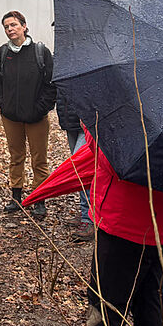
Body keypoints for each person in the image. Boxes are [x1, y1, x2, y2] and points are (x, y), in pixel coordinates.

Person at [26, 125, 163, 326]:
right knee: (153, 311)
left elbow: (110, 157)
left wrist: (92, 127)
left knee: (107, 313)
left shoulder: (131, 101)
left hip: (124, 222)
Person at [0, 10, 56, 218]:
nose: (10, 29)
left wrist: (40, 108)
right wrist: (4, 105)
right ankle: (16, 197)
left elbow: (51, 84)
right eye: (6, 27)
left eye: (13, 25)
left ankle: (39, 200)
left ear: (24, 26)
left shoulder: (40, 52)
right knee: (16, 157)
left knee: (39, 159)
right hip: (11, 117)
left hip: (36, 118)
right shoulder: (3, 53)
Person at [56, 90, 92, 241]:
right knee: (81, 171)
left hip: (88, 123)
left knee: (81, 169)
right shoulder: (65, 66)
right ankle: (86, 212)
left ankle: (89, 219)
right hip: (70, 122)